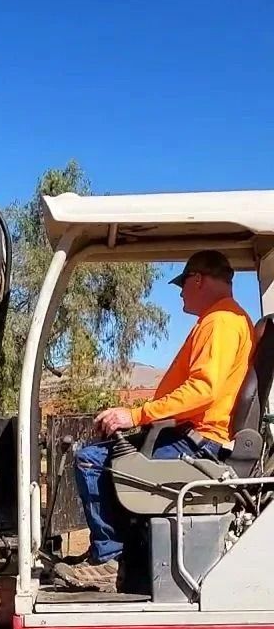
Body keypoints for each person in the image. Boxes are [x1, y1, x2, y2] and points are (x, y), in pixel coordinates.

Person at [54, 249, 254, 591]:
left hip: (200, 444)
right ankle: (121, 555)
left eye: (182, 285)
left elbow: (203, 390)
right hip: (195, 436)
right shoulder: (230, 319)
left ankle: (110, 560)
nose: (179, 293)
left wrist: (135, 415)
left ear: (198, 280)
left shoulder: (219, 321)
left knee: (92, 462)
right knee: (108, 456)